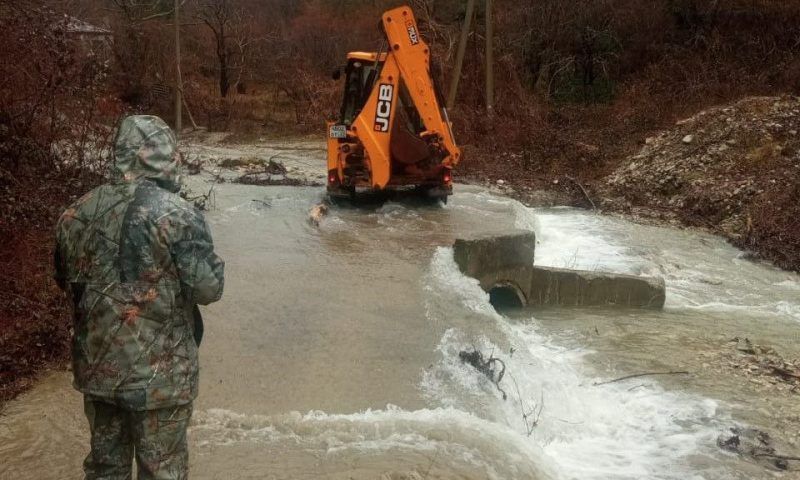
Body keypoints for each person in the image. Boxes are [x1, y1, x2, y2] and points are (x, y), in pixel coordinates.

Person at [54, 115, 225, 480]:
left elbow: (64, 281)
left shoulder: (73, 215)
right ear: (163, 155)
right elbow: (210, 288)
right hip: (161, 381)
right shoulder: (178, 215)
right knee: (162, 472)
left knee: (104, 472)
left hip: (99, 373)